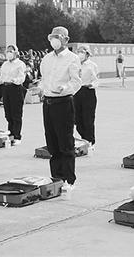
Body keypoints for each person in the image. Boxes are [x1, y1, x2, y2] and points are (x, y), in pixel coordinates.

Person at [40, 26, 81, 193]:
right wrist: (40, 88)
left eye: (58, 36)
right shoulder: (47, 59)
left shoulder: (72, 58)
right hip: (48, 102)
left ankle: (69, 179)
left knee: (65, 142)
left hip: (63, 102)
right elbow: (44, 79)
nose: (54, 40)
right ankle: (57, 177)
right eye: (52, 37)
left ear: (66, 39)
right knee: (52, 142)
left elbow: (76, 81)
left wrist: (65, 88)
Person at [0, 45, 27, 145]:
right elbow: (2, 78)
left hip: (16, 88)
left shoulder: (20, 64)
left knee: (16, 113)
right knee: (8, 114)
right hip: (6, 88)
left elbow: (21, 78)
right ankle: (10, 134)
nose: (9, 53)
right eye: (7, 51)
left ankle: (17, 136)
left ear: (16, 52)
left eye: (11, 51)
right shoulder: (5, 64)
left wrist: (13, 80)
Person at [74, 44, 98, 149]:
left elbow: (96, 80)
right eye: (78, 52)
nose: (80, 54)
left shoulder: (92, 65)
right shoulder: (74, 64)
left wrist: (91, 85)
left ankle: (90, 141)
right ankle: (84, 139)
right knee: (77, 119)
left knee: (88, 119)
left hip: (88, 91)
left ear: (87, 54)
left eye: (82, 52)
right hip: (76, 92)